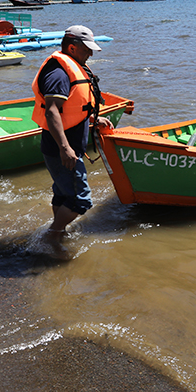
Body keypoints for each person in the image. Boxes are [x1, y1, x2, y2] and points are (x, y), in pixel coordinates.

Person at [31, 25, 112, 259]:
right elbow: (52, 112)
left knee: (63, 194)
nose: (91, 54)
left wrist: (94, 118)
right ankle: (51, 235)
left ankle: (58, 234)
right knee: (81, 200)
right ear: (72, 47)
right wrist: (66, 148)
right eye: (87, 49)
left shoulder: (73, 66)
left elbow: (72, 108)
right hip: (61, 150)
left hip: (60, 148)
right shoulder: (59, 73)